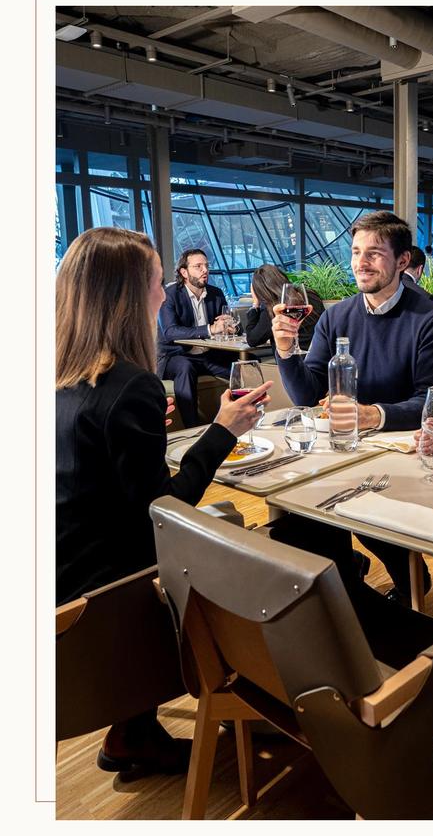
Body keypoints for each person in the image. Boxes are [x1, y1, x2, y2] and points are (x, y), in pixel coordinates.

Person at [56, 227, 272, 775]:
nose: (162, 292)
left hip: (57, 579)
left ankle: (134, 733)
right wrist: (222, 430)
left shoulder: (60, 376)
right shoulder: (130, 386)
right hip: (103, 604)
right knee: (255, 555)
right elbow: (165, 513)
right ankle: (255, 701)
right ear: (131, 296)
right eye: (156, 281)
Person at [271, 210, 433, 603]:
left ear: (402, 261)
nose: (361, 263)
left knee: (345, 498)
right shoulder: (337, 315)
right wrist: (287, 352)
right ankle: (344, 592)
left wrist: (375, 414)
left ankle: (402, 583)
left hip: (403, 451)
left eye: (374, 253)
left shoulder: (430, 321)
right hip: (344, 448)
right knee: (299, 502)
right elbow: (308, 395)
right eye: (356, 252)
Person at [157, 249, 235, 427]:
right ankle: (191, 428)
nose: (205, 270)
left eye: (206, 266)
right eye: (198, 266)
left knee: (246, 366)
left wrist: (230, 325)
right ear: (184, 272)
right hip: (176, 356)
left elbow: (228, 323)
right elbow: (170, 332)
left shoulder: (216, 293)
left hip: (207, 356)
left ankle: (246, 418)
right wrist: (210, 329)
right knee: (185, 367)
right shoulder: (169, 295)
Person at [245, 263, 325, 354]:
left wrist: (255, 304)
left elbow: (252, 340)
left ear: (260, 291)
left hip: (290, 359)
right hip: (320, 356)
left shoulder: (276, 308)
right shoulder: (312, 295)